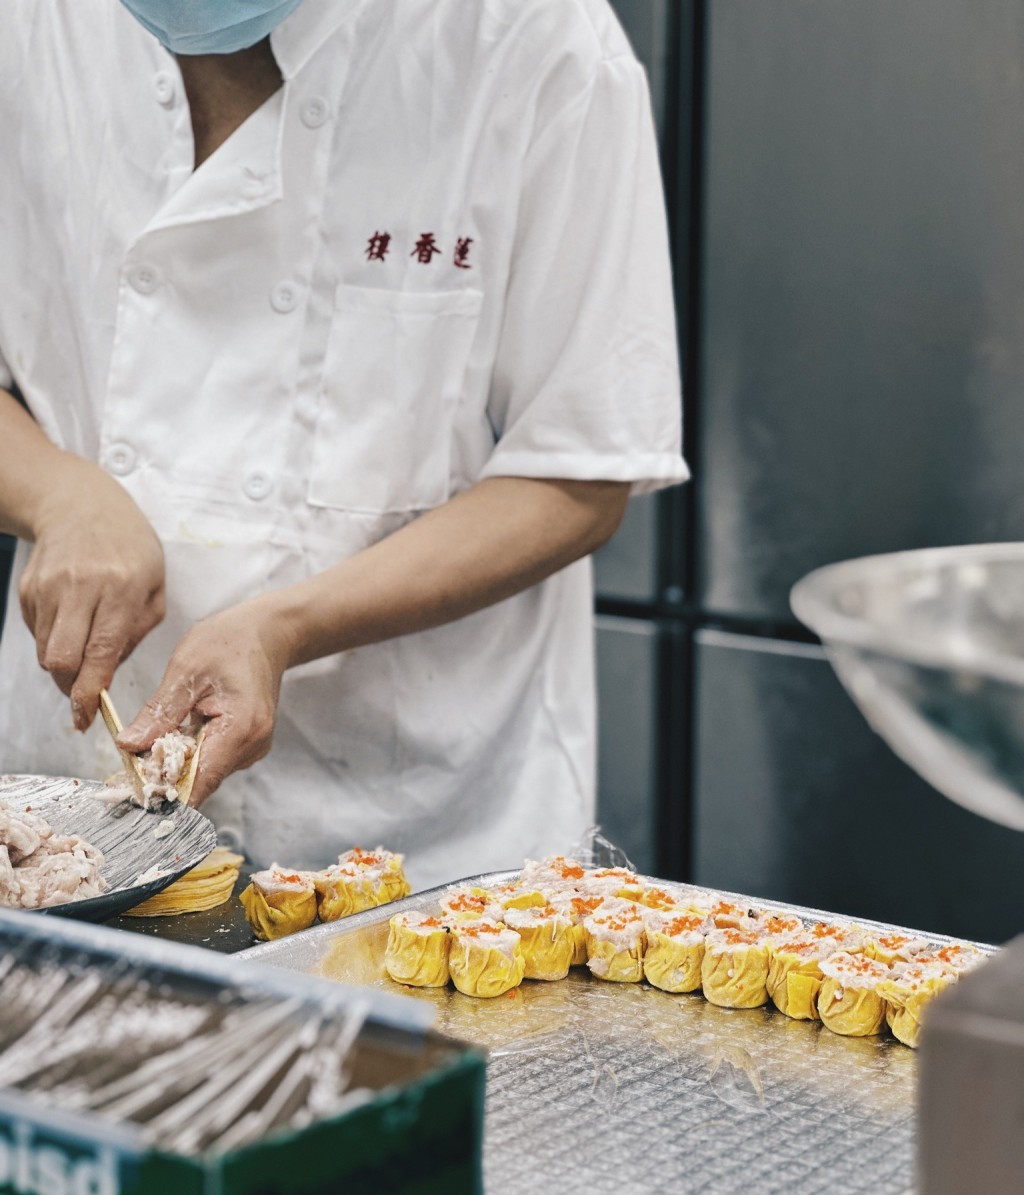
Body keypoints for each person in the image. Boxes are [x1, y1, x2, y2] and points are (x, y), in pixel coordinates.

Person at [0, 0, 685, 888]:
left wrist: (284, 628)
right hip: (70, 823)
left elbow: (574, 472)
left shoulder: (533, 39)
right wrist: (60, 497)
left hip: (414, 836)